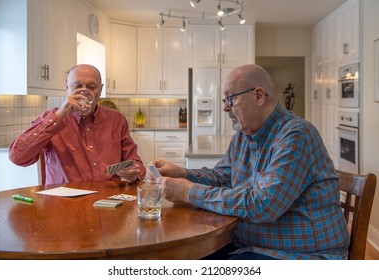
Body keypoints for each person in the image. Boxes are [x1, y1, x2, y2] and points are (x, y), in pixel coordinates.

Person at [149, 64, 349, 260]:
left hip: (301, 255)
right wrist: (183, 174)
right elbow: (223, 177)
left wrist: (187, 191)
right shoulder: (243, 136)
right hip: (251, 246)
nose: (225, 107)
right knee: (186, 257)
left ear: (259, 96)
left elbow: (263, 205)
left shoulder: (296, 135)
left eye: (230, 99)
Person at [9, 64, 145, 184]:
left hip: (107, 201)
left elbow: (136, 164)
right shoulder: (50, 119)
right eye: (78, 86)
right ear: (67, 86)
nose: (84, 92)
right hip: (63, 204)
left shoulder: (116, 120)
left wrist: (134, 172)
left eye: (92, 87)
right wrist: (58, 116)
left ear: (101, 90)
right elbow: (17, 157)